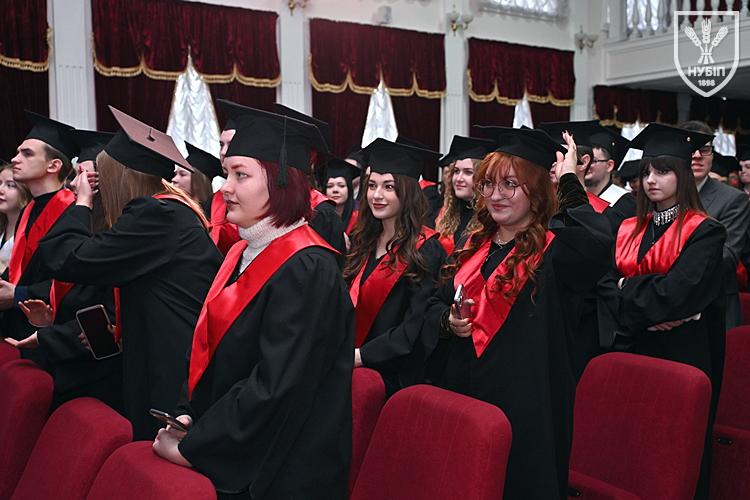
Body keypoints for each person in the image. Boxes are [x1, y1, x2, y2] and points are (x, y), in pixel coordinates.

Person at [152, 106, 353, 500]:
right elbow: (214, 348)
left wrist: (196, 447)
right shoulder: (242, 252)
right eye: (227, 173)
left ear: (282, 182)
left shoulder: (308, 268)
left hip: (282, 470)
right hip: (235, 443)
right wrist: (189, 412)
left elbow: (275, 386)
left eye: (240, 174)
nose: (225, 187)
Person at [424, 128, 612, 500]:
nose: (495, 195)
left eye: (510, 184)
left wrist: (569, 181)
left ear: (538, 190)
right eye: (489, 184)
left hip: (527, 410)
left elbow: (596, 243)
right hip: (464, 395)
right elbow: (433, 304)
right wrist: (448, 321)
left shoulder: (558, 251)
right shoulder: (473, 244)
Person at [36, 107, 222, 440]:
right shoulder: (171, 210)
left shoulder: (156, 214)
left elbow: (67, 257)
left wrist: (82, 202)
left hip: (170, 362)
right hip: (169, 351)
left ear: (119, 176)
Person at [597, 123, 726, 500]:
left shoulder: (705, 231)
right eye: (646, 172)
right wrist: (642, 294)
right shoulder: (626, 228)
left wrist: (628, 287)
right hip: (633, 349)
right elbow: (603, 287)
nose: (651, 180)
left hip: (682, 353)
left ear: (683, 174)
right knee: (629, 445)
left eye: (663, 171)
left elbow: (674, 295)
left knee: (673, 454)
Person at [6, 129, 122, 410]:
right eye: (78, 174)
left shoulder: (107, 227)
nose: (77, 183)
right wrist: (47, 321)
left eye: (86, 176)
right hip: (60, 347)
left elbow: (100, 310)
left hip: (95, 366)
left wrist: (45, 326)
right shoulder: (71, 215)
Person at [345, 138, 447, 395]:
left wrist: (359, 356)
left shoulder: (425, 250)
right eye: (372, 185)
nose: (377, 195)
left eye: (389, 186)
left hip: (390, 380)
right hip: (348, 365)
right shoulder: (362, 240)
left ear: (407, 191)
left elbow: (414, 327)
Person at [1, 112, 78, 342]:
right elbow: (21, 267)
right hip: (15, 325)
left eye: (27, 153)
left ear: (53, 165)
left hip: (50, 332)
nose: (15, 159)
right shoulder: (29, 209)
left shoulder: (73, 211)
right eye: (17, 152)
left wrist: (19, 294)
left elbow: (74, 280)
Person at [681, 120, 750, 330]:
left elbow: (726, 257)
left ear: (712, 155)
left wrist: (666, 269)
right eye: (691, 149)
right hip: (662, 308)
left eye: (705, 150)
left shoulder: (733, 200)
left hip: (714, 308)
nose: (697, 156)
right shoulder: (658, 196)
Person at [435, 135, 495, 253]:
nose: (459, 178)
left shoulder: (491, 219)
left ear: (482, 177)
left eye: (468, 172)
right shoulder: (446, 214)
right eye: (456, 171)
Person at [0, 162, 32, 273]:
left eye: (10, 185)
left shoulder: (30, 232)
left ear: (25, 192)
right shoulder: (3, 225)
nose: (1, 190)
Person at [324, 157, 360, 233]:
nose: (335, 190)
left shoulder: (359, 216)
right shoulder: (318, 216)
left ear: (349, 189)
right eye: (330, 186)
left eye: (341, 186)